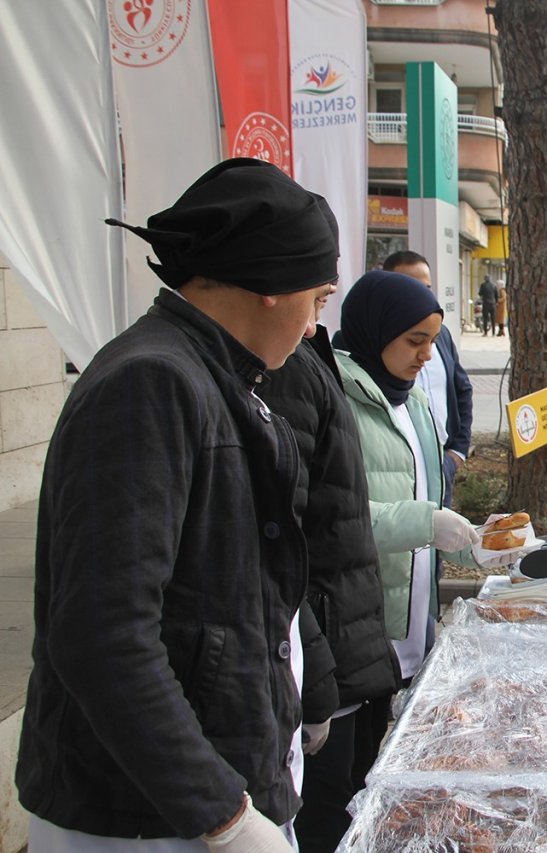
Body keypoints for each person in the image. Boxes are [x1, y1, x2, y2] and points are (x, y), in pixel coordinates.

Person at [17, 158, 341, 851]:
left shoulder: (217, 377)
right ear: (269, 289)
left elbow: (249, 583)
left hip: (196, 791)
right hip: (139, 816)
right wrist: (221, 814)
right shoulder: (151, 383)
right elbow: (102, 634)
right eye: (317, 299)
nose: (317, 327)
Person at [259, 325, 401, 852]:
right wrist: (317, 686)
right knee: (328, 814)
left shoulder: (310, 360)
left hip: (351, 643)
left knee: (349, 802)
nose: (318, 322)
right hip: (327, 649)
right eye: (317, 298)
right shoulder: (286, 373)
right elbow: (283, 553)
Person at [334, 270, 481, 688]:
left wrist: (478, 545)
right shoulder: (336, 400)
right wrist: (428, 525)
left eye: (433, 341)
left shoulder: (411, 397)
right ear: (374, 331)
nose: (428, 356)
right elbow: (335, 515)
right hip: (359, 631)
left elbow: (423, 500)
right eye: (415, 341)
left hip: (414, 624)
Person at [381, 250, 474, 511]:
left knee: (436, 546)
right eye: (411, 288)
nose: (426, 353)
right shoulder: (370, 348)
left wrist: (457, 451)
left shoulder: (441, 334)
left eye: (427, 289)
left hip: (442, 461)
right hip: (397, 473)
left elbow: (462, 389)